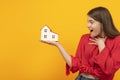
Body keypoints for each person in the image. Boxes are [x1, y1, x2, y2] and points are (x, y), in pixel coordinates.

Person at [41, 6, 120, 80]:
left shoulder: (117, 40)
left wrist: (101, 45)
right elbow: (75, 64)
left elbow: (109, 69)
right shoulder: (85, 38)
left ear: (103, 23)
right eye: (88, 22)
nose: (88, 25)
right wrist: (58, 45)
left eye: (91, 22)